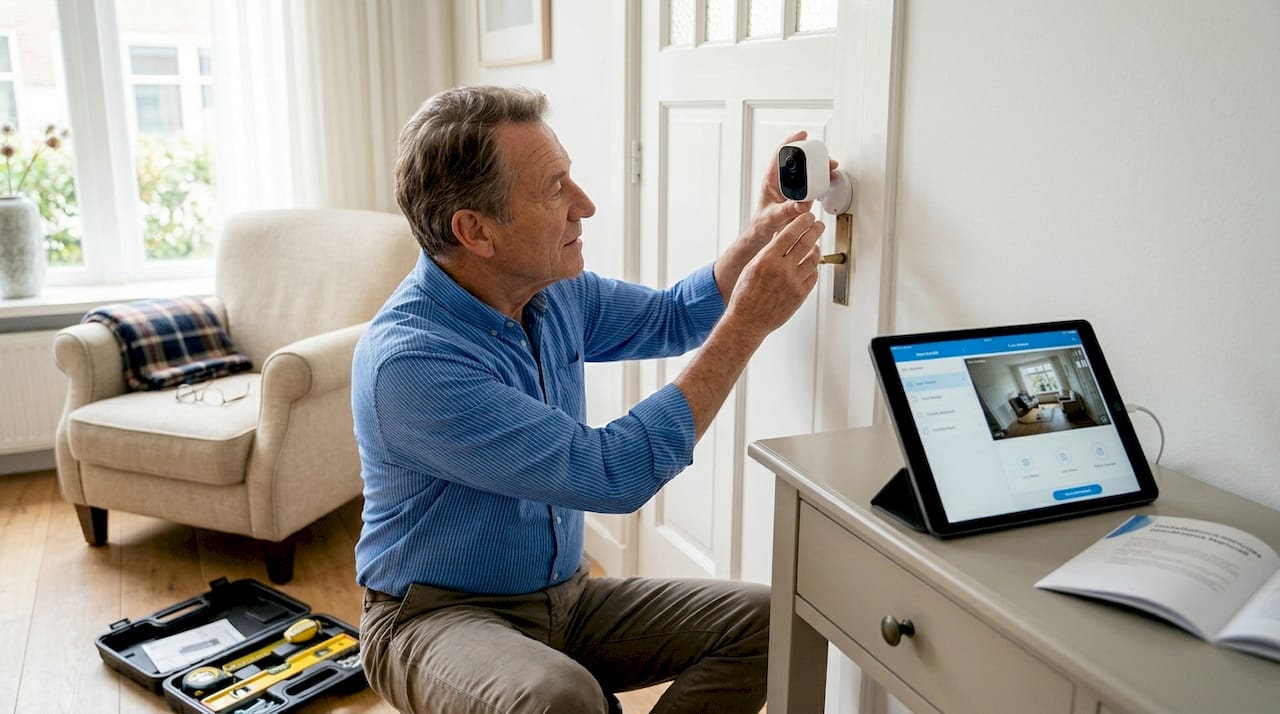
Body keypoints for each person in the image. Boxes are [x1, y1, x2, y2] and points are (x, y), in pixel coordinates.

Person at [353, 85, 829, 714]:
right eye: (555, 189)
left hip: (565, 597)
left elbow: (672, 316)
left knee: (770, 623)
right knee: (562, 699)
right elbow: (610, 474)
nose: (585, 205)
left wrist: (758, 236)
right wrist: (746, 326)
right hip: (435, 617)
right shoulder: (412, 364)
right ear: (476, 231)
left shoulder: (552, 292)